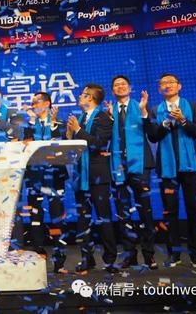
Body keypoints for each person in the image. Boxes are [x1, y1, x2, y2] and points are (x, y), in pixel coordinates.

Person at [143, 73, 196, 268]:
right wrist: (168, 121)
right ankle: (174, 254)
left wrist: (183, 120)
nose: (167, 85)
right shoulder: (156, 110)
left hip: (192, 167)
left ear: (179, 86)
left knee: (194, 210)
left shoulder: (193, 106)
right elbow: (153, 136)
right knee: (170, 211)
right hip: (167, 168)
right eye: (163, 83)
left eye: (171, 82)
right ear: (159, 89)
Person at [106, 76, 157, 270]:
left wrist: (144, 112)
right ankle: (129, 255)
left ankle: (149, 255)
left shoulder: (141, 106)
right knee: (123, 212)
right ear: (113, 91)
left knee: (145, 210)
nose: (120, 87)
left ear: (129, 88)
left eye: (123, 84)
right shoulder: (110, 111)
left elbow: (152, 133)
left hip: (140, 165)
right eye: (116, 85)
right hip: (118, 166)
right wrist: (109, 119)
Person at [66, 84, 118, 273]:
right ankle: (87, 259)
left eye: (83, 94)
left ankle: (110, 260)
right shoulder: (80, 118)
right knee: (83, 219)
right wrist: (69, 135)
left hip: (97, 175)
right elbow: (75, 147)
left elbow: (98, 144)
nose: (80, 97)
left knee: (104, 217)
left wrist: (78, 130)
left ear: (91, 98)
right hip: (81, 175)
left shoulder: (103, 117)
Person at [21, 92, 68, 273]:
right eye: (32, 103)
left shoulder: (59, 123)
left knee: (57, 217)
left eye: (38, 102)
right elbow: (26, 147)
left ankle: (60, 261)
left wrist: (53, 125)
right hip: (34, 177)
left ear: (48, 103)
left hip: (55, 177)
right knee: (36, 217)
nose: (34, 105)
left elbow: (62, 144)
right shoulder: (28, 126)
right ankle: (38, 257)